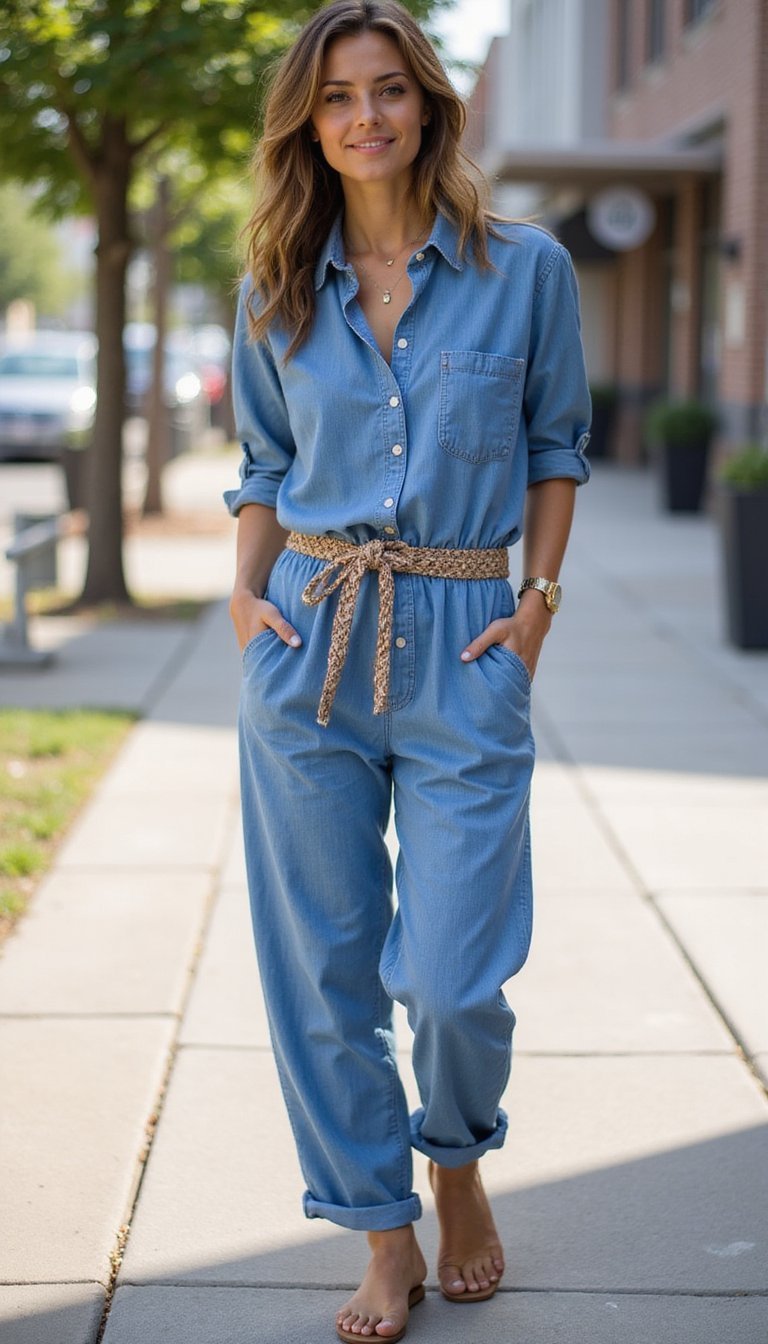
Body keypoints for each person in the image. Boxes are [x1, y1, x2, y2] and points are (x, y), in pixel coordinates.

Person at [225, 2, 591, 1339]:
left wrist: (536, 605)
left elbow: (557, 448)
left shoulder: (526, 268)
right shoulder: (274, 278)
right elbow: (263, 466)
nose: (365, 116)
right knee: (317, 969)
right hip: (306, 634)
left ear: (428, 107)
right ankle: (381, 1236)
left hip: (461, 630)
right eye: (336, 98)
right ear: (307, 124)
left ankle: (457, 1159)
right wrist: (243, 597)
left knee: (448, 975)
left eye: (388, 90)